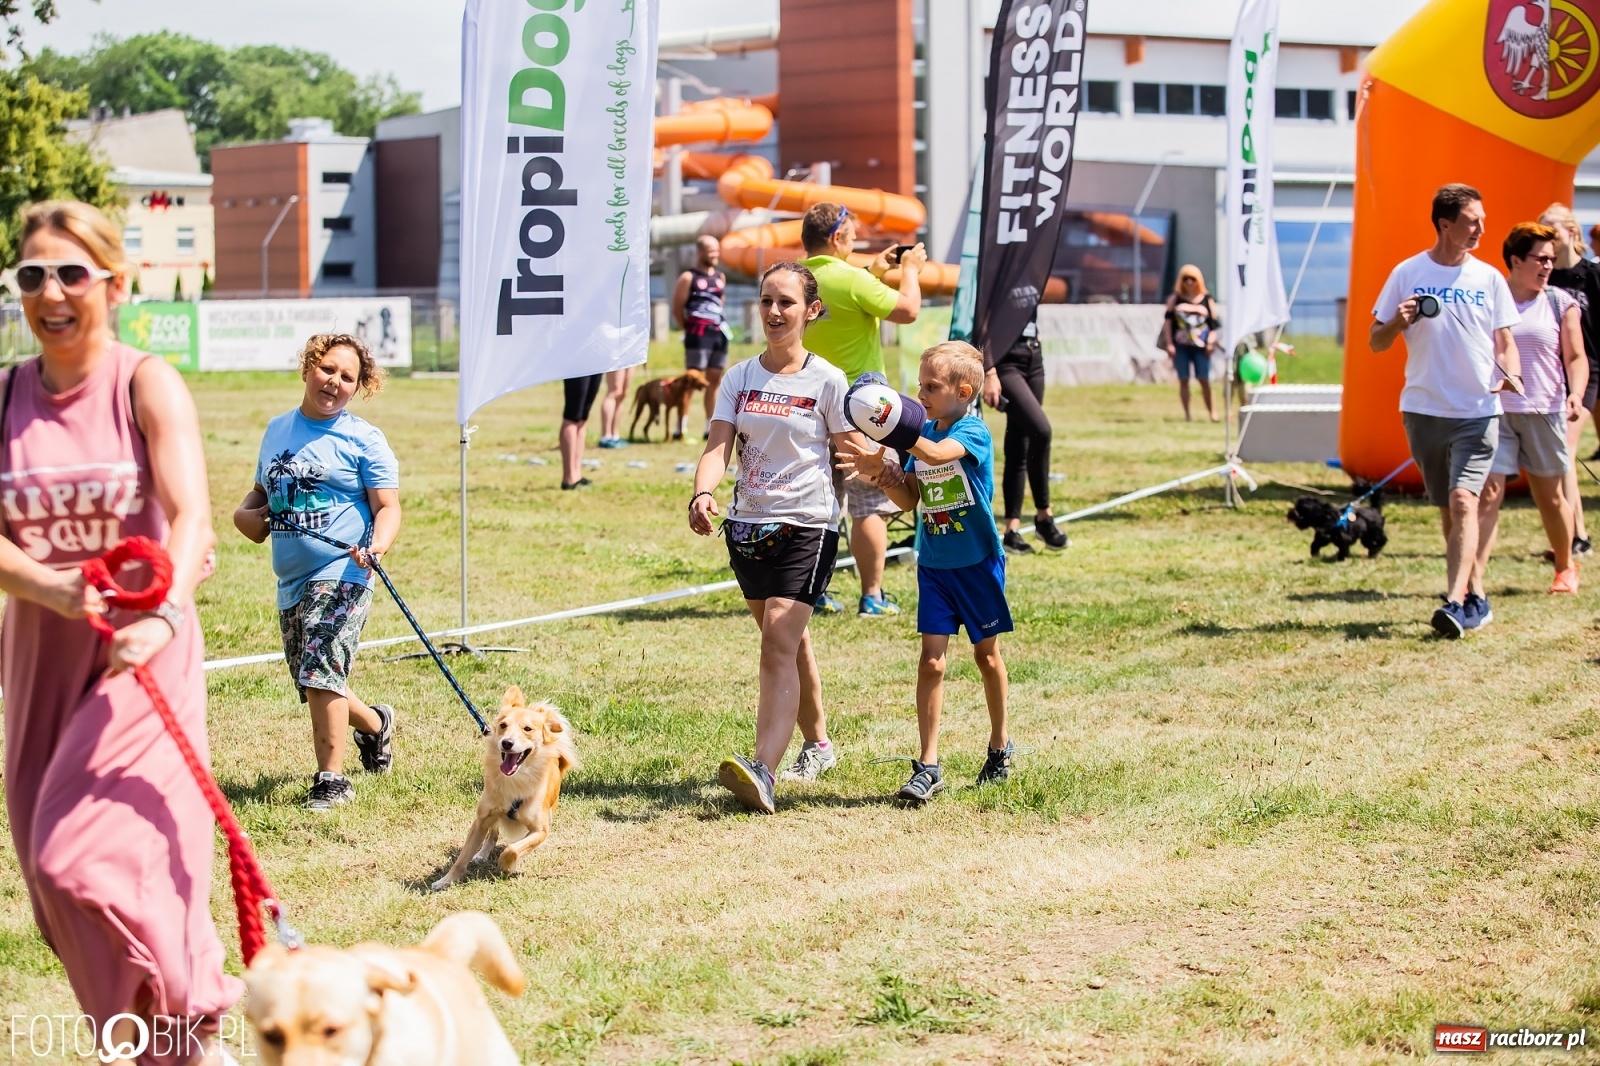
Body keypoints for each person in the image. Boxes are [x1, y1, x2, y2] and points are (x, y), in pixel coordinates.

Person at [0, 200, 240, 1063]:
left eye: (71, 274)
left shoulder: (144, 381)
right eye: (32, 276)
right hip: (40, 656)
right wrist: (56, 590)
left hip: (141, 657)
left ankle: (192, 1012)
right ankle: (142, 1044)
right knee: (51, 885)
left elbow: (192, 517)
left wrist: (161, 615)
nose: (52, 293)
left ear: (115, 283)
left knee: (82, 855)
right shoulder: (5, 397)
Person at [688, 261, 859, 812]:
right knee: (790, 641)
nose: (773, 312)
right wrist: (703, 492)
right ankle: (819, 743)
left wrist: (877, 461)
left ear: (810, 310)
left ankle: (763, 769)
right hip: (747, 527)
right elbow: (718, 446)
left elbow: (849, 448)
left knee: (776, 645)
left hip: (807, 524)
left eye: (785, 302)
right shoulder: (739, 377)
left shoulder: (828, 380)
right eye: (766, 300)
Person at [836, 342, 1015, 803]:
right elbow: (911, 498)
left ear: (964, 390)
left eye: (931, 387)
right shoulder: (928, 432)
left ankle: (999, 745)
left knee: (986, 657)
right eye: (919, 385)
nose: (921, 394)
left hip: (977, 564)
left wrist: (896, 432)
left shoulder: (972, 431)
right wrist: (885, 473)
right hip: (934, 565)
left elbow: (937, 456)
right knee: (931, 661)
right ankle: (928, 764)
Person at [234, 333, 400, 811]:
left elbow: (387, 507)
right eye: (328, 369)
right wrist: (243, 516)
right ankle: (376, 725)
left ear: (358, 388)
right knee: (314, 680)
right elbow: (258, 500)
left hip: (344, 571)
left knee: (322, 666)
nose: (335, 381)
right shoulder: (277, 430)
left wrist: (376, 546)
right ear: (308, 368)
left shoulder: (363, 438)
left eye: (348, 377)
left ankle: (332, 780)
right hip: (290, 579)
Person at [1370, 183, 1523, 638]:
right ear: (1445, 224)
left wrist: (1509, 373)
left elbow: (1506, 344)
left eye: (1482, 220)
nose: (1480, 229)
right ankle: (1475, 594)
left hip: (1478, 409)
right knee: (1447, 506)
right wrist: (1399, 320)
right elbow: (1376, 342)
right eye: (1472, 221)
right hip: (1424, 409)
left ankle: (1454, 603)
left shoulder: (1489, 278)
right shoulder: (1407, 272)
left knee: (1463, 501)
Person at [798, 202, 927, 615]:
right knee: (869, 501)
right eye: (851, 239)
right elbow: (907, 310)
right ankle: (871, 596)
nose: (854, 246)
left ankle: (813, 594)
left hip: (807, 399)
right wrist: (910, 271)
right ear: (837, 239)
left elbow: (840, 304)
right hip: (862, 403)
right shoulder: (852, 280)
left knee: (819, 503)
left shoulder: (797, 279)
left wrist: (871, 270)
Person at [1476, 222, 1589, 594]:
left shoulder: (1559, 302)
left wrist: (1576, 392)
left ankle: (1565, 566)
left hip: (1545, 408)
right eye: (1540, 259)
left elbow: (1575, 357)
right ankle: (1471, 579)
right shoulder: (1491, 299)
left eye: (1551, 260)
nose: (1547, 267)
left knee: (1550, 496)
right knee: (1489, 492)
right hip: (1496, 410)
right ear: (1515, 260)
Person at [980, 312, 1071, 555]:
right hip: (1005, 360)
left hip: (1033, 356)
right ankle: (1044, 515)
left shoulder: (1030, 274)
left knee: (1019, 442)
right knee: (1041, 431)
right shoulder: (994, 274)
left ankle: (1012, 531)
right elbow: (982, 319)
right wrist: (988, 371)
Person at [1540, 203, 1598, 553]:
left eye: (1552, 231)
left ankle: (1578, 537)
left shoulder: (1593, 276)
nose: (1546, 239)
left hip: (1588, 372)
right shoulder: (1546, 280)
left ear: (1572, 233)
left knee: (1566, 448)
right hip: (1552, 375)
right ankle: (1574, 535)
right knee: (1560, 453)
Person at [673, 235, 728, 435]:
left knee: (714, 381)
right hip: (697, 334)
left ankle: (709, 427)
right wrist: (688, 328)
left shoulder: (720, 277)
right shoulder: (688, 277)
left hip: (718, 334)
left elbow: (720, 304)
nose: (715, 254)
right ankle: (681, 427)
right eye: (710, 250)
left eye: (717, 250)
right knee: (691, 381)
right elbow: (677, 308)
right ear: (699, 252)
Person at [1161, 264, 1222, 422]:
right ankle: (1187, 414)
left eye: (1192, 279)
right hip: (1181, 345)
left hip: (1201, 347)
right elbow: (1168, 323)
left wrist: (1210, 342)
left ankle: (1212, 413)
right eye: (1185, 279)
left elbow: (1214, 325)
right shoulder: (1175, 299)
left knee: (1204, 379)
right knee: (1184, 379)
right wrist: (1169, 343)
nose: (1189, 282)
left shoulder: (1207, 300)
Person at [558, 373, 602, 489]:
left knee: (582, 418)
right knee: (572, 417)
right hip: (577, 364)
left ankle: (577, 474)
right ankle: (569, 478)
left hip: (595, 362)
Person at [595, 366, 634, 449]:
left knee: (623, 393)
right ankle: (605, 437)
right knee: (614, 391)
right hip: (615, 355)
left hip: (630, 354)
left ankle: (615, 436)